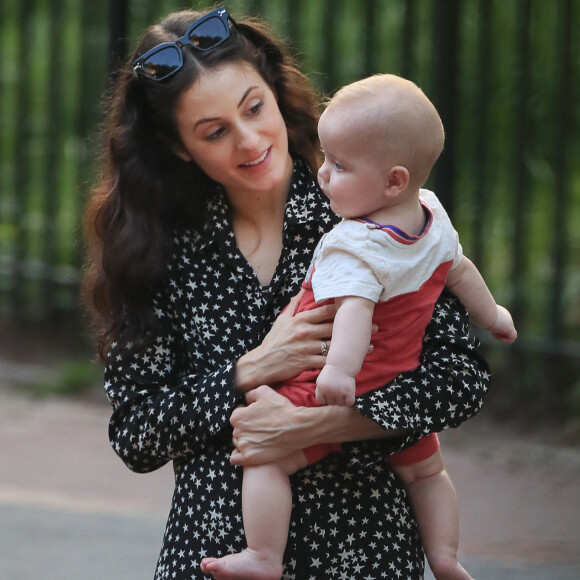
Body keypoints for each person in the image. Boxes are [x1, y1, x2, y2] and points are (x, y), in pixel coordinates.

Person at [82, 7, 492, 579]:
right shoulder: (156, 253)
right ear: (180, 147)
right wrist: (247, 371)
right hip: (214, 551)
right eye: (215, 131)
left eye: (254, 108)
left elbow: (461, 377)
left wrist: (322, 425)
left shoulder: (369, 212)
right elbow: (136, 434)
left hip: (364, 551)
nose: (250, 141)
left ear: (274, 92)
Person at [200, 74, 516, 580]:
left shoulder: (354, 243)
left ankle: (263, 555)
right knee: (428, 471)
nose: (323, 174)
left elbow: (353, 311)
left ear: (393, 181)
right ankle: (445, 555)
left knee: (267, 461)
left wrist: (340, 374)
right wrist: (494, 316)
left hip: (335, 384)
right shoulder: (432, 219)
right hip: (398, 377)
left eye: (339, 166)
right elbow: (461, 270)